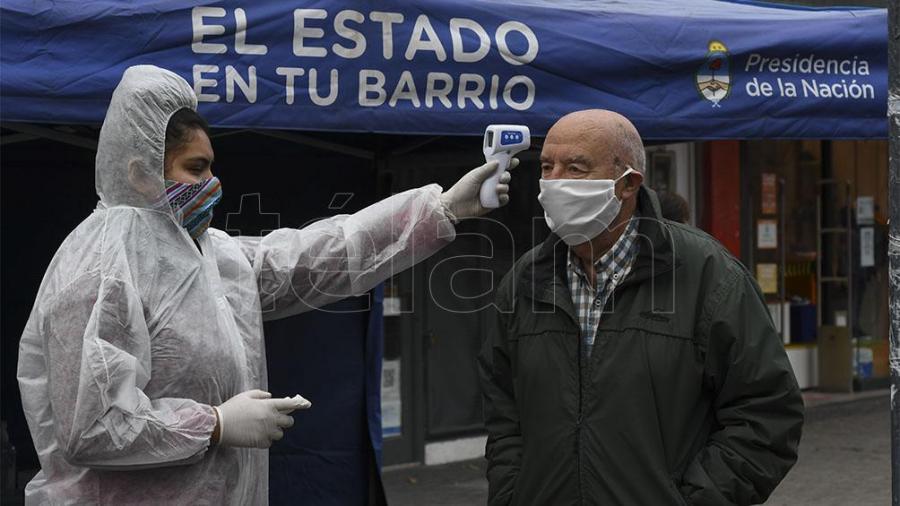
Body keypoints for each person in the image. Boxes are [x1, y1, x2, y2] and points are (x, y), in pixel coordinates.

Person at [16, 65, 516, 505]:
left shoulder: (206, 255)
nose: (212, 183)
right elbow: (92, 426)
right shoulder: (100, 269)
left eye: (211, 167)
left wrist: (441, 209)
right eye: (196, 168)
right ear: (141, 172)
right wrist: (215, 424)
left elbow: (316, 257)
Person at [478, 109, 803, 505]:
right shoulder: (525, 281)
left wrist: (695, 500)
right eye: (547, 167)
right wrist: (512, 493)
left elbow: (767, 413)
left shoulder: (708, 275)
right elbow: (503, 410)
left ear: (628, 184)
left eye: (576, 168)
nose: (554, 182)